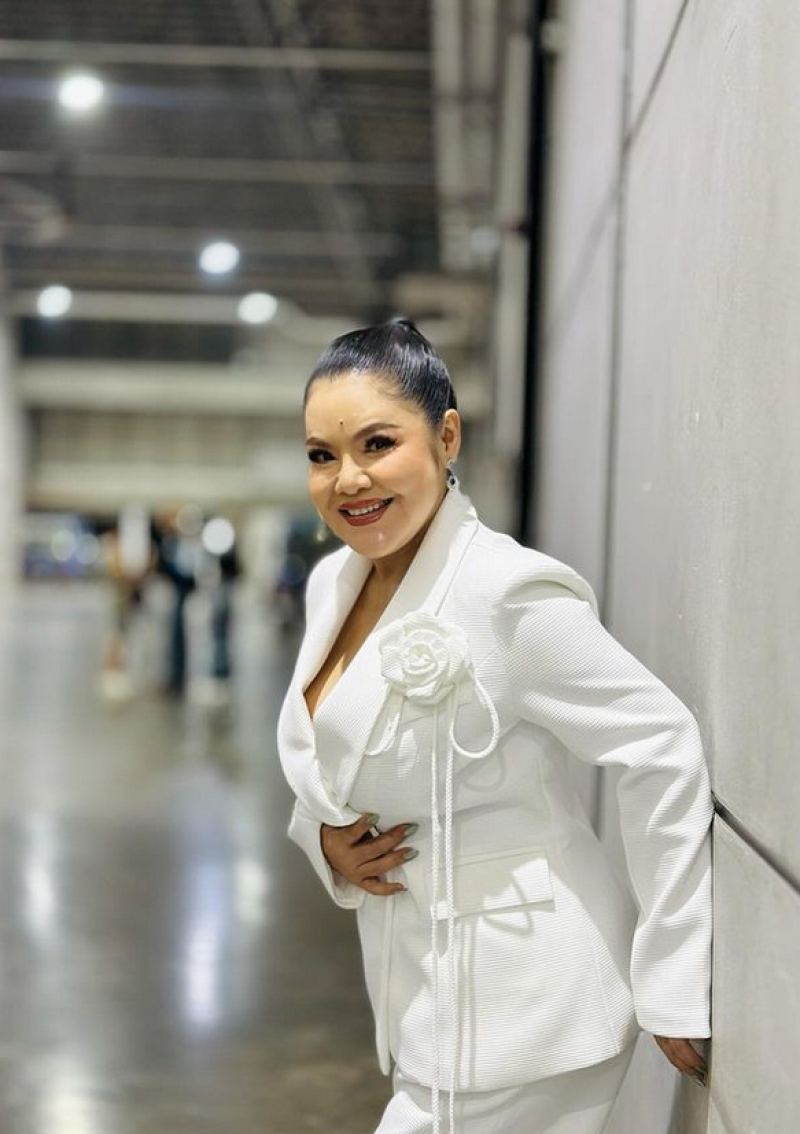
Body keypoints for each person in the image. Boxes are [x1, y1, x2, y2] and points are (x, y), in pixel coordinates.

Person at [276, 319, 712, 1134]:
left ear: (446, 437)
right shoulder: (335, 583)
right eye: (321, 455)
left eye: (378, 444)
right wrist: (324, 839)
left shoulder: (506, 595)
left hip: (534, 1005)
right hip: (426, 995)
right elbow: (328, 749)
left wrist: (674, 970)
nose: (347, 479)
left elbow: (659, 744)